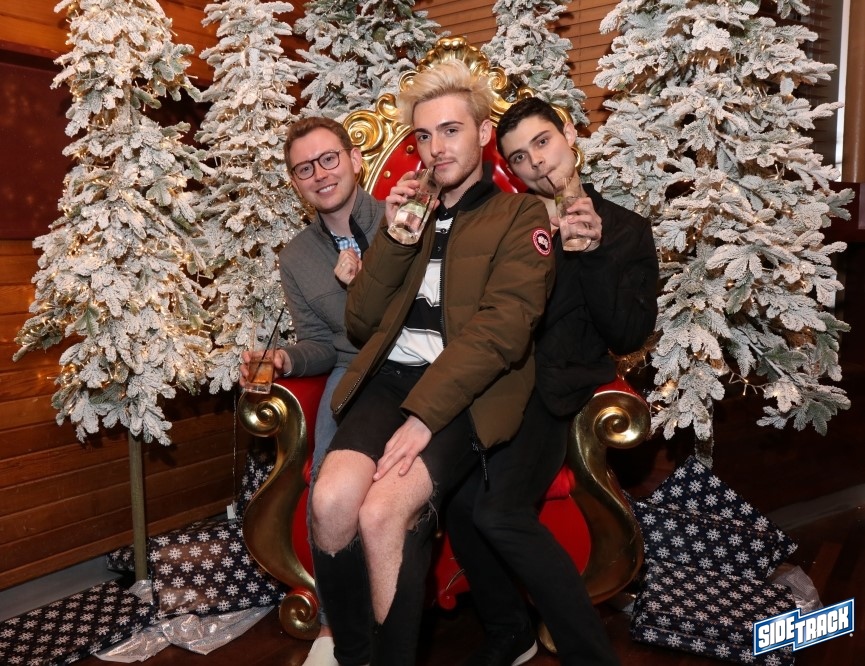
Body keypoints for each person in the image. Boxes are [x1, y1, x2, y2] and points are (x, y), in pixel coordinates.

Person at [307, 60, 555, 666]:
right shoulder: (410, 216)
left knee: (382, 511)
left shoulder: (520, 216)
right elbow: (361, 322)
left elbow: (503, 331)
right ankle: (354, 655)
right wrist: (394, 239)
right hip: (390, 380)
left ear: (483, 134)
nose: (436, 147)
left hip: (467, 392)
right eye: (424, 135)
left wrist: (425, 416)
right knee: (331, 501)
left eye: (450, 130)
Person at [445, 96, 659, 666]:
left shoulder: (626, 231)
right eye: (519, 157)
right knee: (455, 498)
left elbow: (627, 333)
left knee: (498, 511)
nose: (536, 162)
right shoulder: (510, 223)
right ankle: (509, 631)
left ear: (568, 133)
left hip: (556, 392)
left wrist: (593, 254)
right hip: (493, 385)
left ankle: (591, 655)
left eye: (542, 142)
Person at [240, 116, 384, 666]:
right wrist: (284, 358)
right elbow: (320, 345)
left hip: (415, 367)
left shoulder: (400, 219)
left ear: (354, 160)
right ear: (296, 184)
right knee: (327, 481)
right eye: (305, 169)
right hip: (349, 374)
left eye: (328, 159)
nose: (320, 174)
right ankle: (332, 625)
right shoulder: (297, 257)